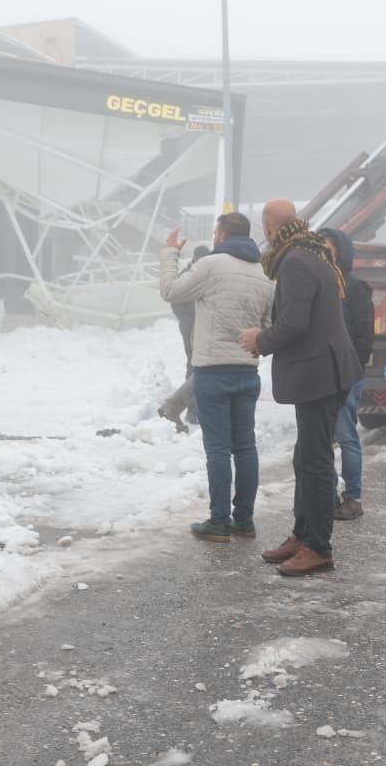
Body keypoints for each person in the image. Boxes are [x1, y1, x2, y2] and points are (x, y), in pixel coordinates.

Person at [238, 200, 362, 576]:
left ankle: (318, 547)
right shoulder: (313, 252)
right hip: (326, 371)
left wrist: (261, 338)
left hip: (319, 375)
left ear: (269, 227)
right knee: (306, 458)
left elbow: (294, 322)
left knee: (316, 462)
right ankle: (303, 534)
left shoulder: (295, 261)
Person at [159, 214, 273, 543]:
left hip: (212, 373)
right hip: (247, 373)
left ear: (222, 234)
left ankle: (219, 522)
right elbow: (267, 324)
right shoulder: (264, 272)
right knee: (246, 448)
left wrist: (170, 254)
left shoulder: (212, 265)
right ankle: (245, 521)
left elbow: (171, 290)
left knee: (219, 450)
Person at [317, 227, 373, 521]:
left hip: (347, 374)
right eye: (320, 247)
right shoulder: (318, 285)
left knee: (346, 435)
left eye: (330, 247)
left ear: (341, 251)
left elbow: (365, 336)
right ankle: (326, 494)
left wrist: (352, 369)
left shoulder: (355, 287)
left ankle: (352, 498)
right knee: (321, 439)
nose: (325, 253)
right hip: (321, 374)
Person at [157, 244, 210, 434]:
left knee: (202, 367)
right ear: (195, 259)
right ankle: (192, 411)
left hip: (204, 329)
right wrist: (189, 322)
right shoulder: (187, 277)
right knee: (194, 366)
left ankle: (197, 409)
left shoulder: (205, 275)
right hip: (190, 329)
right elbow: (175, 301)